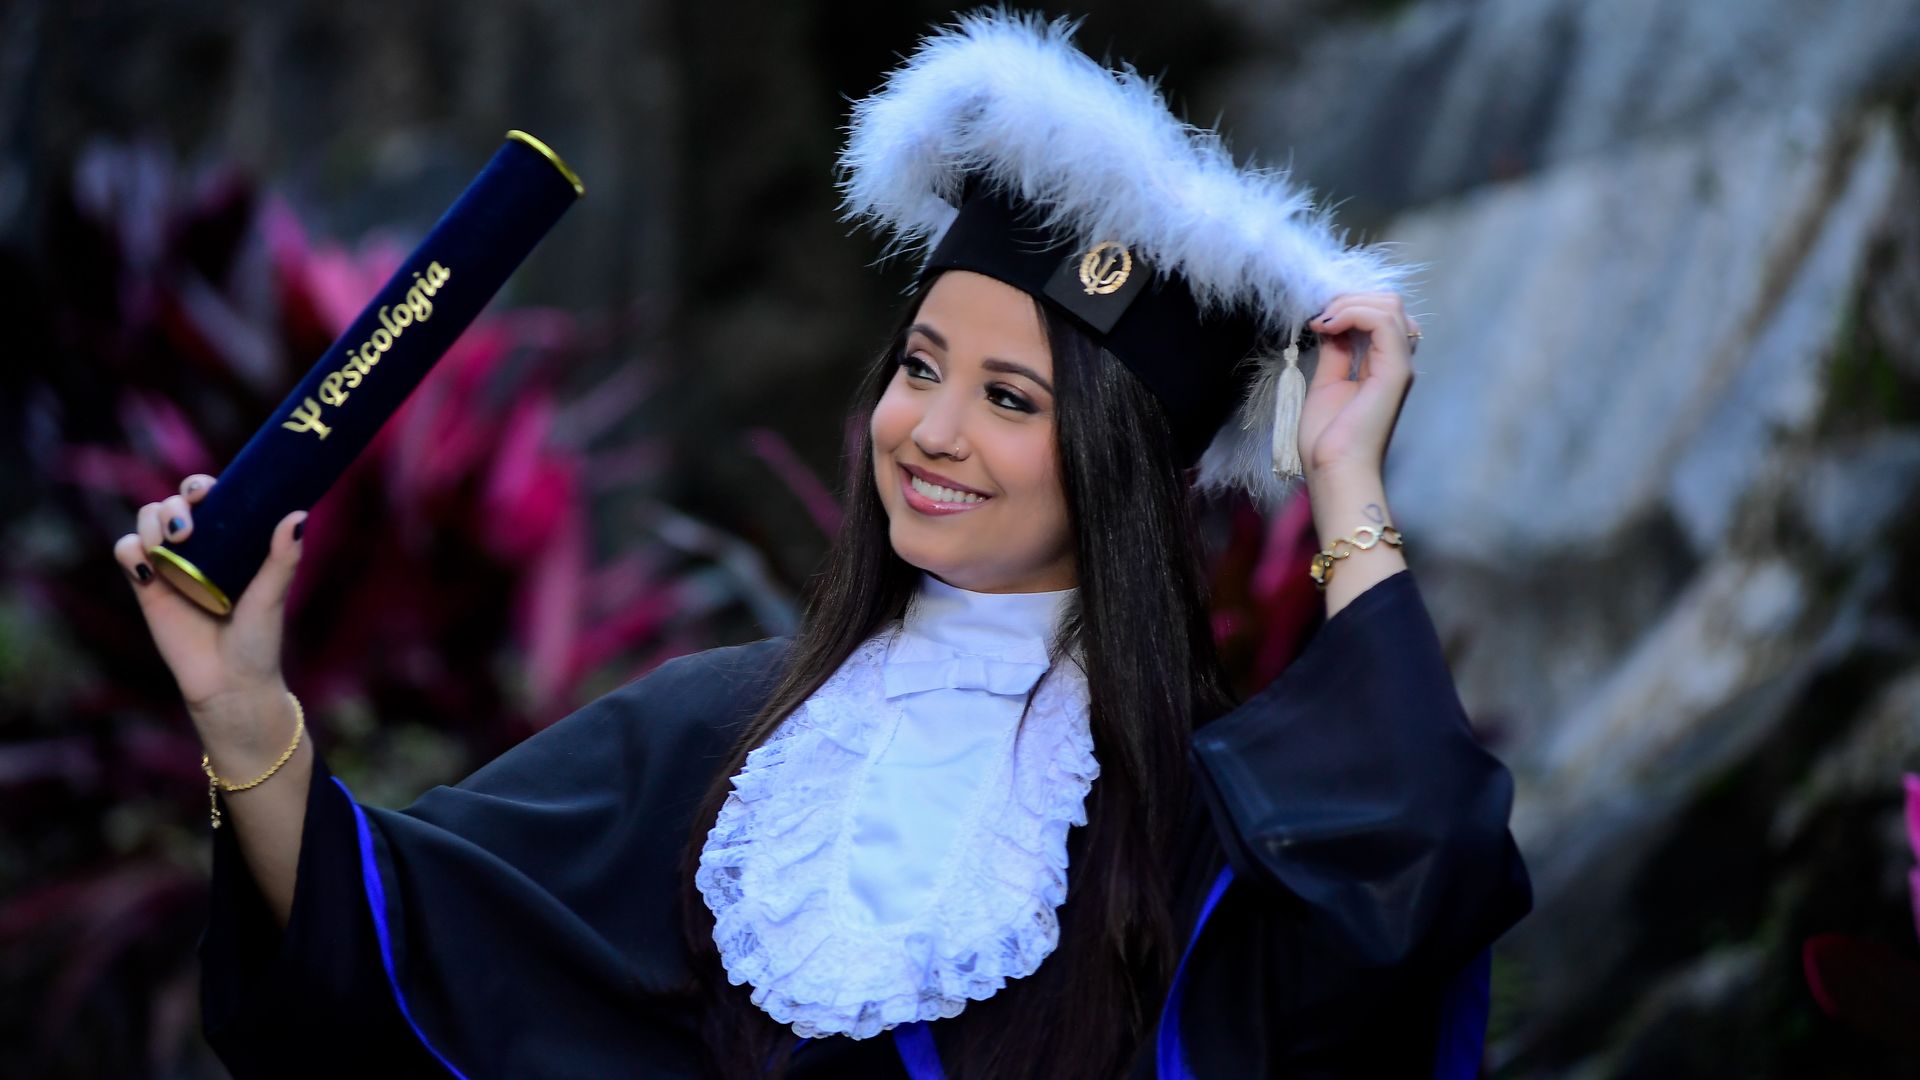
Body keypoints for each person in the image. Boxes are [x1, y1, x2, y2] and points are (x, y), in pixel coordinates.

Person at [115, 11, 1530, 1078]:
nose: (932, 430)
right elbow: (386, 948)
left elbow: (1421, 877)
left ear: (1118, 469)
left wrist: (1345, 480)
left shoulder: (1201, 827)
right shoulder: (714, 738)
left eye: (1012, 399)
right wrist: (240, 710)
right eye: (920, 367)